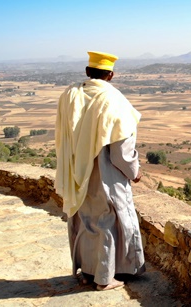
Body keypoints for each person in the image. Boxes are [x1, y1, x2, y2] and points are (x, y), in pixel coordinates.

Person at [55, 51, 145, 291]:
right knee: (107, 221)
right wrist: (134, 171)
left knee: (85, 220)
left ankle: (87, 272)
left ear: (87, 72)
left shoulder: (70, 94)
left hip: (77, 170)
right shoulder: (113, 100)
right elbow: (121, 153)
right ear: (111, 75)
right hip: (104, 173)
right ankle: (105, 279)